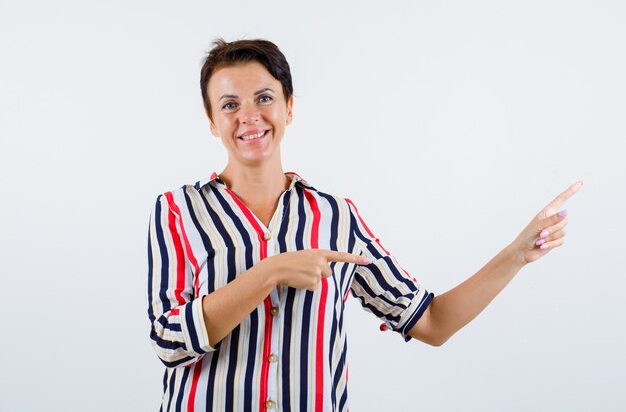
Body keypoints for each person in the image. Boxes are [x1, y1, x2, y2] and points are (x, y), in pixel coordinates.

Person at [146, 38, 582, 412]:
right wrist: (271, 271)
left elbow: (431, 321)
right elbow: (167, 341)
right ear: (211, 121)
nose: (249, 116)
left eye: (264, 98)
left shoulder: (336, 217)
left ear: (289, 107)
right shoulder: (177, 211)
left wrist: (517, 254)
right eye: (229, 105)